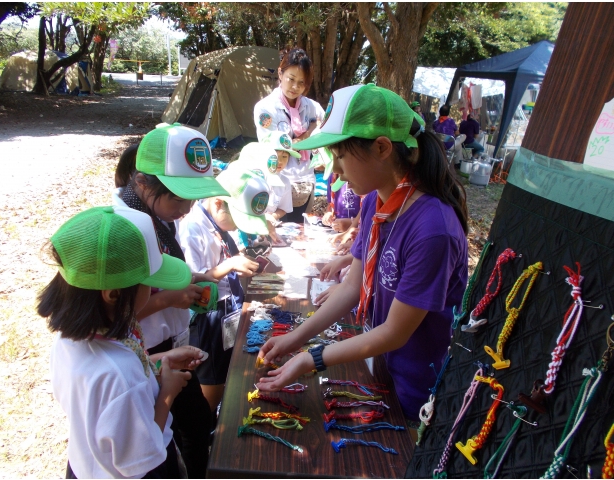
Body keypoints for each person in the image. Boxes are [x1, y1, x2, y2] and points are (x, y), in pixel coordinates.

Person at [256, 85, 469, 441]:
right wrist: (296, 338)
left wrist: (313, 358)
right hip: (381, 366)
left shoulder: (433, 230)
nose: (335, 171)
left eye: (340, 156)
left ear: (382, 148)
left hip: (417, 389)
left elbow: (395, 332)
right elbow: (352, 287)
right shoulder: (375, 201)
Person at [38, 205, 207, 478]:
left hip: (86, 466)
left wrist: (156, 362)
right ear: (114, 294)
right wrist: (167, 392)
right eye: (149, 285)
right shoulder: (121, 375)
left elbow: (104, 395)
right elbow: (145, 452)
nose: (154, 291)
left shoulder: (69, 341)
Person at [113, 123, 229, 478]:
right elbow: (117, 313)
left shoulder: (156, 214)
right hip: (143, 351)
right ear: (144, 182)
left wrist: (192, 279)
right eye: (179, 197)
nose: (187, 207)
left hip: (171, 344)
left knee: (194, 424)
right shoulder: (127, 228)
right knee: (166, 435)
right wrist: (171, 300)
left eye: (192, 197)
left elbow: (164, 268)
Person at [178, 167, 269, 413]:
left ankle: (220, 414)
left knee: (227, 368)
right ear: (218, 203)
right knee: (212, 379)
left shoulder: (218, 224)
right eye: (238, 220)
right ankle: (210, 430)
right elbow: (192, 284)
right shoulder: (192, 229)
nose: (238, 228)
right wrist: (228, 265)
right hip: (208, 318)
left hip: (228, 310)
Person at [253, 47, 325, 223]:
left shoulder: (313, 108)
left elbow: (324, 136)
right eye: (291, 79)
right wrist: (309, 133)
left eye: (302, 83)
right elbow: (275, 148)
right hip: (278, 185)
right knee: (277, 233)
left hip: (307, 183)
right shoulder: (265, 109)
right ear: (280, 73)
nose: (295, 87)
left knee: (300, 234)